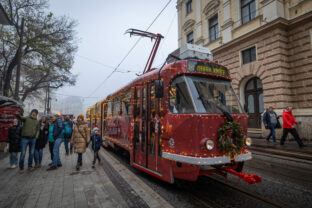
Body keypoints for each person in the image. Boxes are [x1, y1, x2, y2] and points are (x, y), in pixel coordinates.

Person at [16, 109, 40, 173]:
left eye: (35, 113)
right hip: (24, 138)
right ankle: (21, 168)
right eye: (33, 112)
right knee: (23, 153)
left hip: (33, 139)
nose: (34, 113)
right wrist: (17, 114)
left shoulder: (37, 121)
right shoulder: (27, 118)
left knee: (31, 153)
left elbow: (38, 130)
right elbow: (20, 118)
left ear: (36, 114)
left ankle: (30, 166)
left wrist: (36, 136)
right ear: (31, 113)